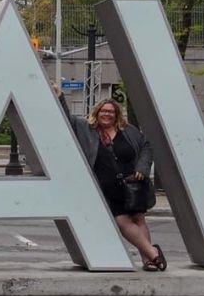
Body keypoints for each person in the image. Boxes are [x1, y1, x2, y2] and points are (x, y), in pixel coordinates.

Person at [69, 96, 162, 271]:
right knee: (122, 221)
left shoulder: (128, 130)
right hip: (106, 185)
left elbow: (146, 147)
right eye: (104, 111)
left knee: (139, 219)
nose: (107, 114)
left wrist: (142, 168)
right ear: (97, 112)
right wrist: (59, 96)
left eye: (111, 111)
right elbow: (68, 118)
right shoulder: (88, 129)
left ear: (116, 114)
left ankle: (148, 260)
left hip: (133, 183)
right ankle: (153, 253)